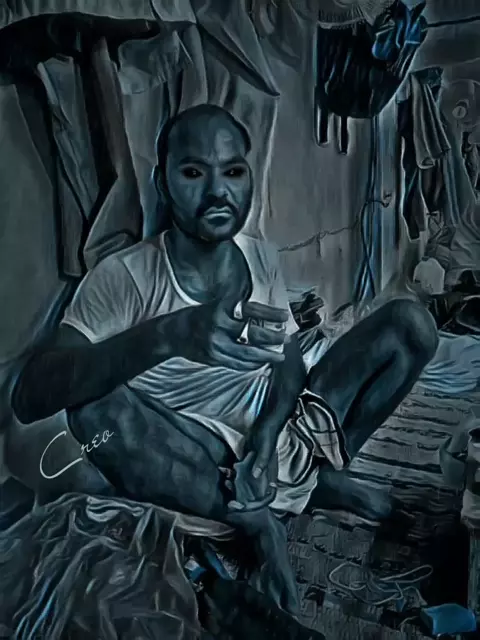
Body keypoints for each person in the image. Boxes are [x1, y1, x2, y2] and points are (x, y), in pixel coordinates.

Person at [11, 104, 438, 614]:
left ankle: (317, 481)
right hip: (202, 466)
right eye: (194, 173)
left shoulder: (259, 255)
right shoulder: (125, 278)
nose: (218, 191)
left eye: (233, 171)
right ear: (163, 182)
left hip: (279, 438)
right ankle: (258, 523)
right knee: (93, 415)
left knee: (410, 325)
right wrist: (167, 335)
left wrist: (266, 439)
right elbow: (30, 395)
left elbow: (287, 361)